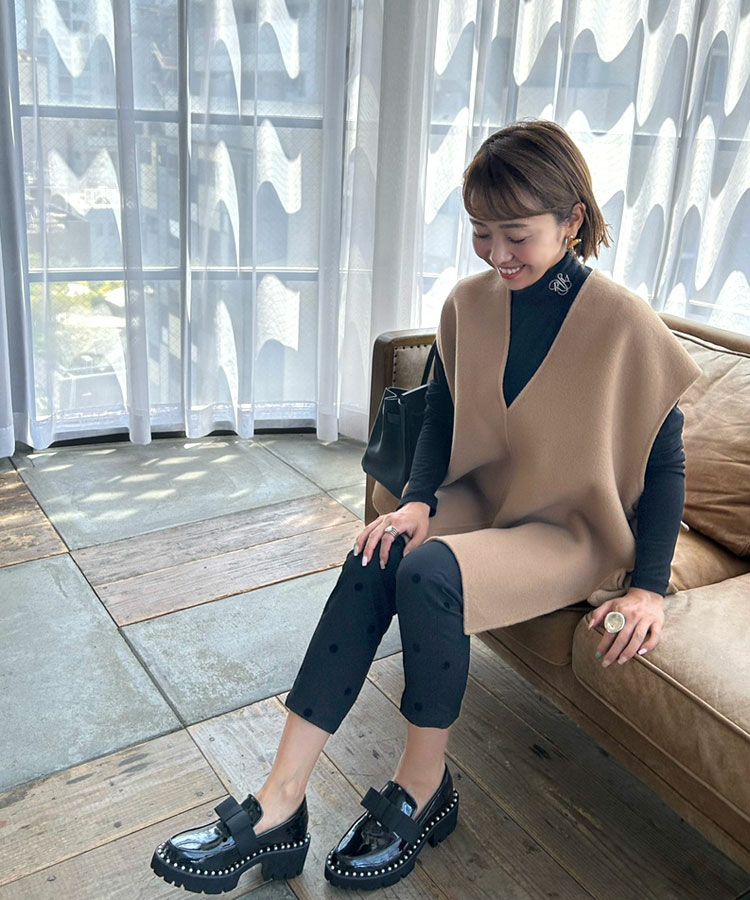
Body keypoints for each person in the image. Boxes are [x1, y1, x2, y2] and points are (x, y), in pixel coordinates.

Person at [150, 119, 699, 894]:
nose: (497, 254)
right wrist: (415, 502)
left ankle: (423, 785)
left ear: (572, 219)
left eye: (517, 234)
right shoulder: (469, 303)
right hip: (485, 497)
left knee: (431, 575)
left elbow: (664, 462)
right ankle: (280, 802)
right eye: (481, 232)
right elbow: (441, 412)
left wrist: (649, 588)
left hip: (570, 527)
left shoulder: (623, 322)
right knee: (380, 549)